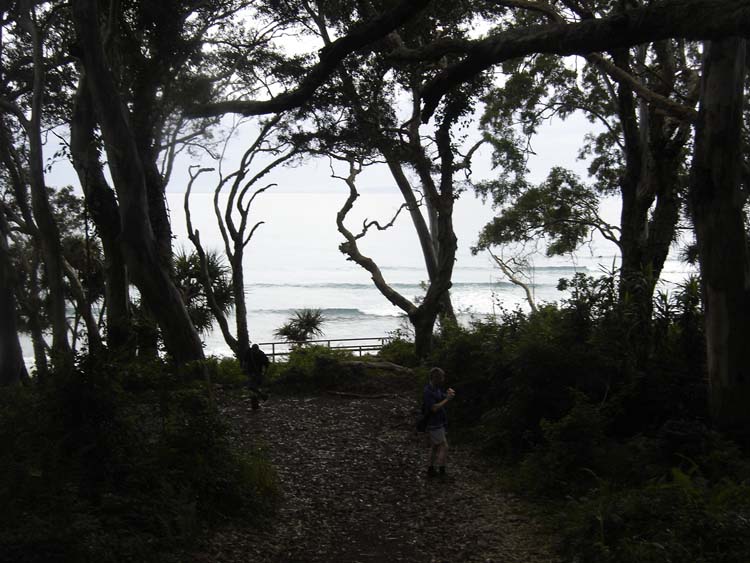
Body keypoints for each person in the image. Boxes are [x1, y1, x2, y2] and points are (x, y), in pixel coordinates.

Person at [423, 367, 455, 479]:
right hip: (434, 423)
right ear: (435, 378)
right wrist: (447, 399)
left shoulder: (436, 388)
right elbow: (434, 408)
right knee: (444, 446)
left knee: (435, 446)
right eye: (441, 377)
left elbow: (441, 399)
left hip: (438, 422)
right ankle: (442, 473)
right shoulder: (428, 391)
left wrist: (447, 395)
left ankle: (430, 470)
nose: (443, 380)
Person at [243, 343, 270, 410]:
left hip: (258, 373)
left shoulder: (261, 354)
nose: (255, 352)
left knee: (252, 387)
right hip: (250, 372)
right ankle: (261, 398)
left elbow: (266, 364)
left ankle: (256, 404)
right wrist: (245, 369)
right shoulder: (249, 352)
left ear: (258, 349)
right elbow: (245, 361)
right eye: (254, 350)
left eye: (256, 351)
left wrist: (264, 374)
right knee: (252, 388)